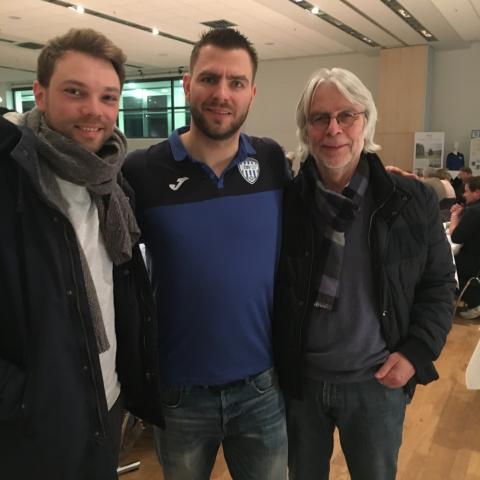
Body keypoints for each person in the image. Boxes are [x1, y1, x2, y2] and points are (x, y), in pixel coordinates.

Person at [273, 67, 456, 480]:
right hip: (301, 386)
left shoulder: (409, 199)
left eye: (346, 116)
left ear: (366, 122)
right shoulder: (287, 202)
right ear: (306, 129)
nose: (333, 129)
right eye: (320, 118)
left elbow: (440, 284)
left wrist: (415, 353)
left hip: (377, 384)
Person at [123, 28, 289, 480]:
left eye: (236, 82)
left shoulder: (272, 162)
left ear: (252, 93)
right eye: (210, 79)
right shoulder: (141, 171)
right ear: (187, 83)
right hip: (178, 394)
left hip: (261, 389)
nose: (222, 94)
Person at [0, 29, 163, 480]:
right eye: (75, 92)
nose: (94, 110)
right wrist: (25, 400)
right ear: (40, 94)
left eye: (108, 97)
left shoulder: (112, 184)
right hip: (31, 429)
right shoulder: (11, 183)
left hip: (105, 407)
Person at [449, 176, 480, 319]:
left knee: (443, 265)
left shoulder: (474, 211)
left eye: (467, 191)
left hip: (473, 261)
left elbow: (456, 237)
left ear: (477, 192)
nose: (464, 194)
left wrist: (455, 215)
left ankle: (475, 302)